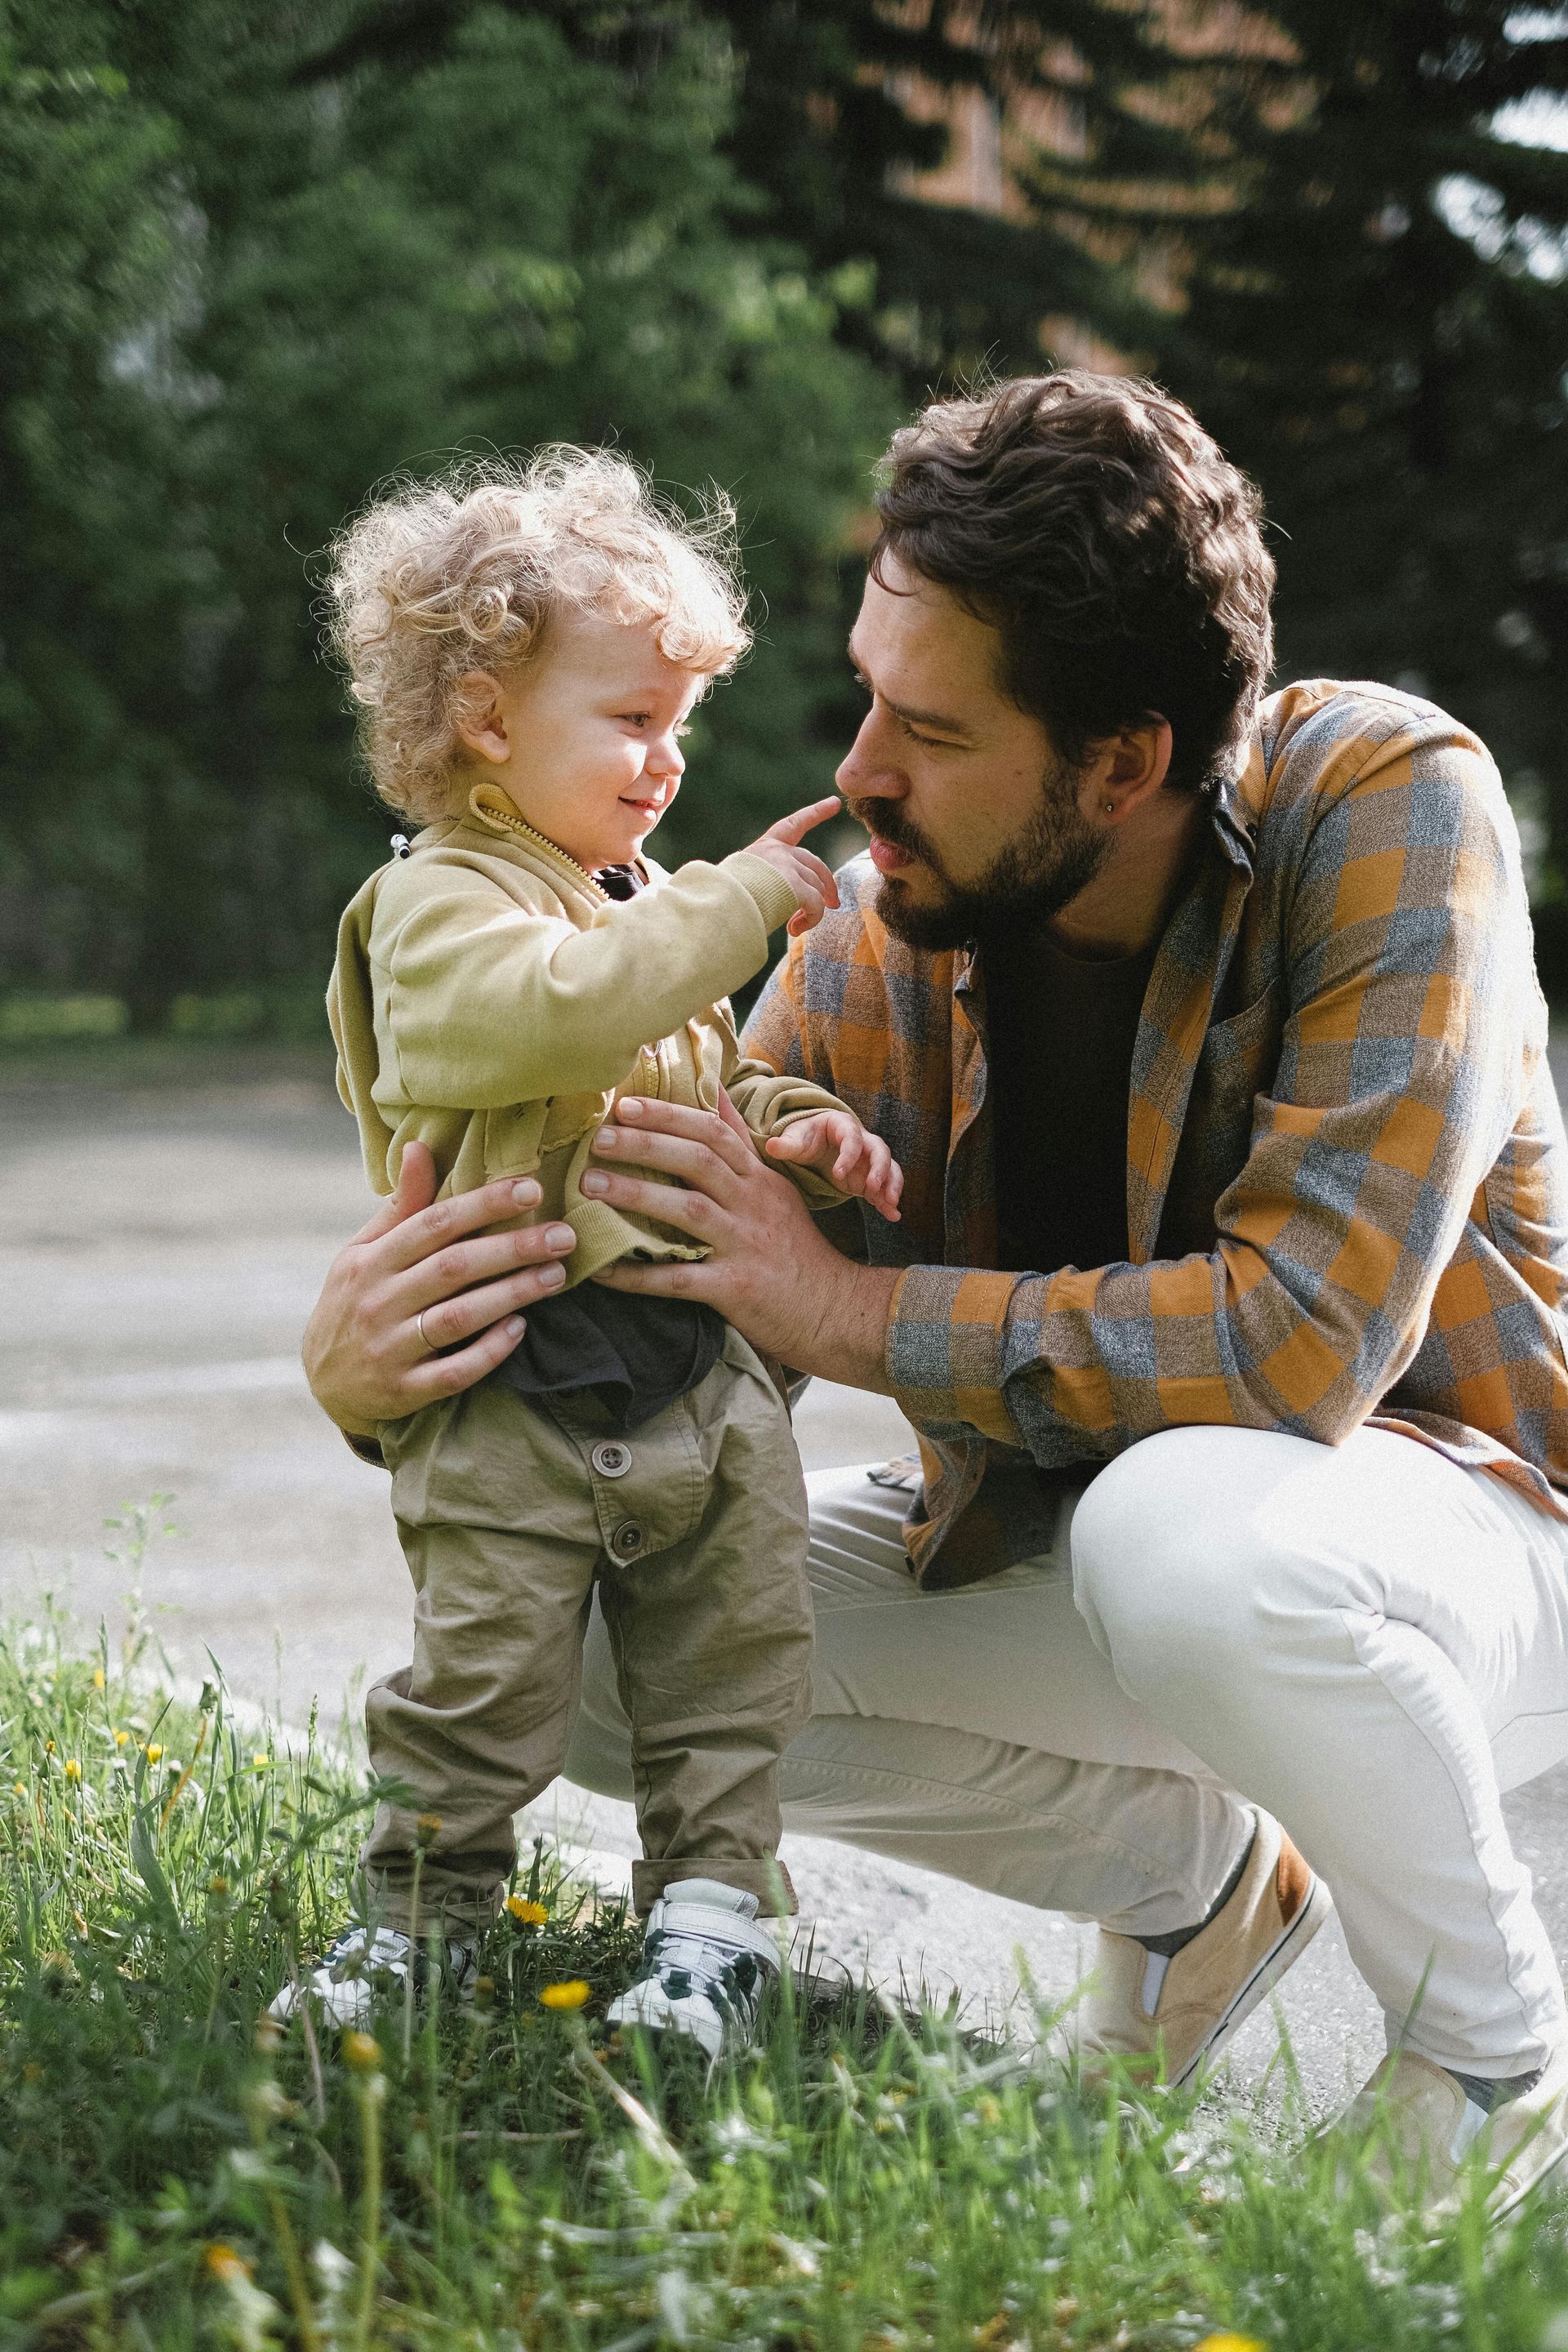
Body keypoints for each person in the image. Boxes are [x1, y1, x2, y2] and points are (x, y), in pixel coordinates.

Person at [303, 376, 1568, 2215]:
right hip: (1071, 1547)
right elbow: (679, 1300)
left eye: (932, 726)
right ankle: (1200, 1888)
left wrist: (846, 1317)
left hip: (1459, 1541)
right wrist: (371, 1365)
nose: (860, 768)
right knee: (595, 1652)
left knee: (1187, 1537)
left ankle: (1488, 2055)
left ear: (1120, 762)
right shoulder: (879, 924)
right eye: (867, 693)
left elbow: (1302, 1346)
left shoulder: (1381, 801)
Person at [279, 448, 902, 2059]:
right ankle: (421, 1918)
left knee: (732, 1674)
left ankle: (706, 1927)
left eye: (680, 723)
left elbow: (682, 1052)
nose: (669, 760)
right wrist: (748, 897)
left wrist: (791, 1121)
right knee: (480, 1688)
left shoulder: (616, 904)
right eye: (634, 719)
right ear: (488, 721)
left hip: (694, 1391)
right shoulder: (443, 907)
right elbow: (551, 1018)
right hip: (516, 1397)